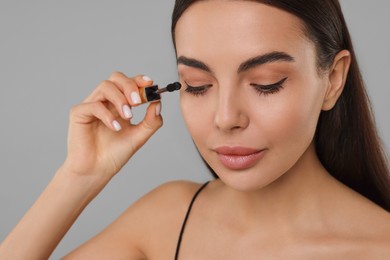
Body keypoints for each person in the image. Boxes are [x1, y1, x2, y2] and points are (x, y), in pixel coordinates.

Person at [1, 0, 389, 259]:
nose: (225, 118)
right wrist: (78, 176)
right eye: (198, 85)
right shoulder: (167, 218)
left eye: (266, 83)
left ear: (333, 80)